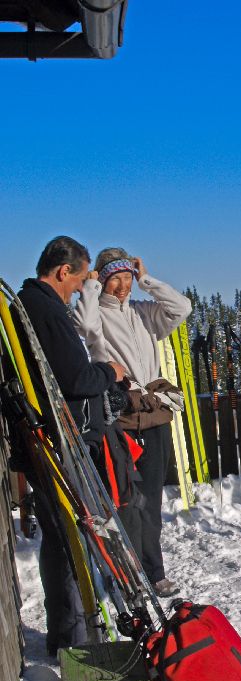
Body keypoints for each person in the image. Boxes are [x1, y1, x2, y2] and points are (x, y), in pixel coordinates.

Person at [14, 236, 129, 656]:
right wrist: (110, 372)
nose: (80, 289)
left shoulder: (28, 305)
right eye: (79, 281)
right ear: (64, 271)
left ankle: (68, 630)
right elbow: (76, 379)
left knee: (62, 539)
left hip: (46, 438)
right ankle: (70, 635)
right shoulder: (45, 309)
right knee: (67, 541)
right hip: (55, 441)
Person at [73, 249, 192, 598]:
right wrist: (91, 289)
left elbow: (182, 308)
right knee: (125, 502)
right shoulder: (98, 315)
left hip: (153, 416)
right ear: (103, 278)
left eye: (127, 278)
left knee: (151, 500)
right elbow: (83, 325)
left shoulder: (144, 313)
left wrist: (146, 280)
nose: (123, 286)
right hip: (119, 416)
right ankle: (130, 576)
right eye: (116, 278)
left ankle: (154, 572)